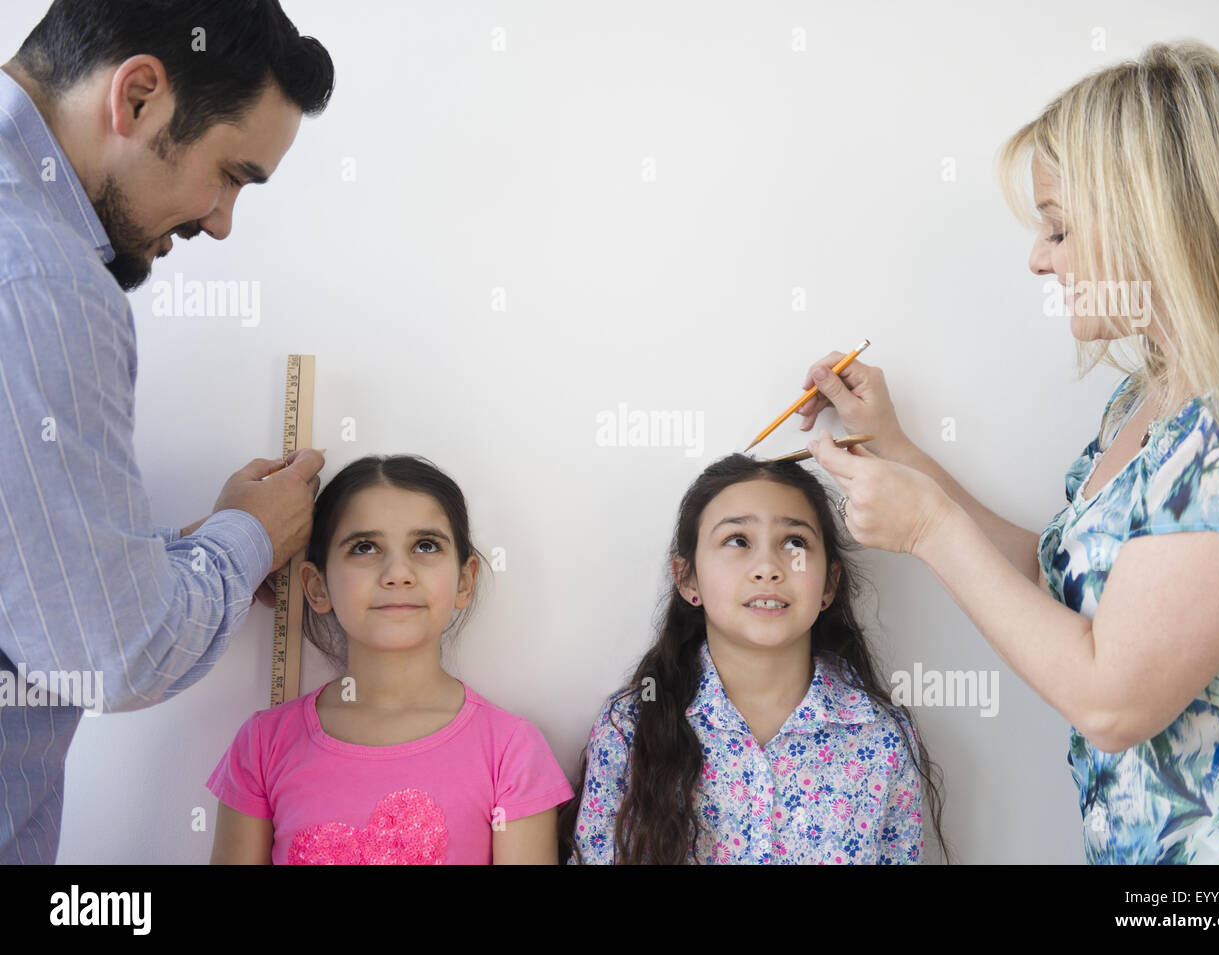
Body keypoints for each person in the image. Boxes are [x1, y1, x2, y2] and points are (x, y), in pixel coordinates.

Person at [801, 40, 1219, 863]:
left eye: (1059, 227)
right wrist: (898, 450)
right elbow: (1051, 579)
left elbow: (1112, 700)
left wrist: (928, 529)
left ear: (1152, 219)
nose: (1039, 257)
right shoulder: (1147, 401)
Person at [0, 0, 334, 863]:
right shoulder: (44, 281)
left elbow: (30, 574)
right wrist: (247, 538)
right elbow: (118, 650)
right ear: (139, 96)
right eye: (230, 174)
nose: (220, 220)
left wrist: (171, 555)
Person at [561, 453, 948, 864]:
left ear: (829, 584)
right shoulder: (629, 726)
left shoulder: (882, 736)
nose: (767, 568)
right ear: (687, 578)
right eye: (737, 541)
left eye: (795, 543)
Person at [207, 455, 574, 864]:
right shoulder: (263, 745)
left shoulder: (510, 752)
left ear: (464, 580)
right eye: (365, 547)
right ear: (317, 587)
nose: (398, 573)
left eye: (425, 546)